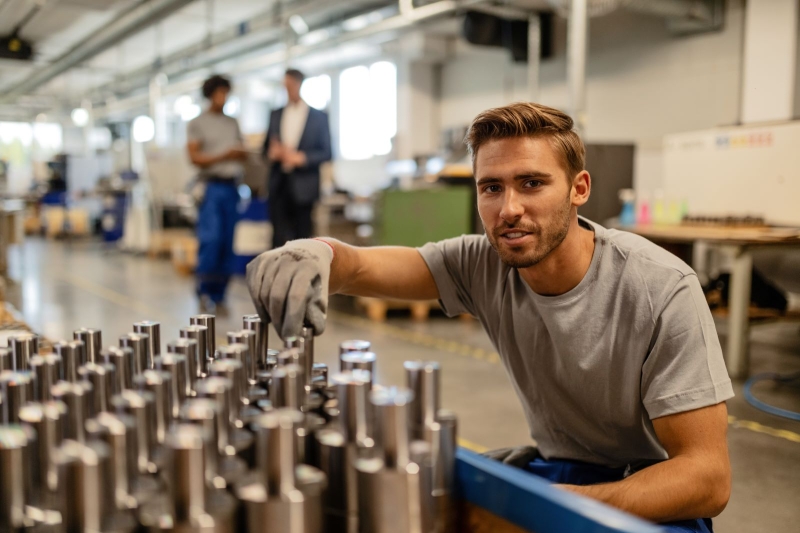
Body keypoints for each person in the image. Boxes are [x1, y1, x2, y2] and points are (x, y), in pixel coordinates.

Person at [246, 102, 733, 532]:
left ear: (579, 188)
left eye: (532, 183)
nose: (509, 209)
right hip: (558, 467)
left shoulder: (660, 288)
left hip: (653, 494)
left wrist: (550, 509)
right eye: (491, 188)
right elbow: (362, 265)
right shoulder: (482, 263)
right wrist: (315, 252)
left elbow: (706, 479)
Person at [186, 74, 248, 315]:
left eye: (226, 93)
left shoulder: (232, 123)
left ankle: (220, 294)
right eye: (220, 93)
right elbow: (194, 158)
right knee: (210, 240)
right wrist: (223, 155)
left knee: (227, 243)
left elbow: (241, 152)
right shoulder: (198, 123)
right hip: (211, 188)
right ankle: (203, 291)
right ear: (210, 94)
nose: (223, 98)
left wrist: (240, 153)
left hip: (232, 188)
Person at [262, 68, 332, 249]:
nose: (287, 90)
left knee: (302, 239)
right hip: (279, 185)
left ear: (299, 84)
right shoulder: (275, 114)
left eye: (290, 85)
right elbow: (265, 149)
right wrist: (272, 153)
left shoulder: (319, 117)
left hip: (304, 186)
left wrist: (302, 158)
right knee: (278, 238)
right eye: (284, 86)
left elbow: (327, 152)